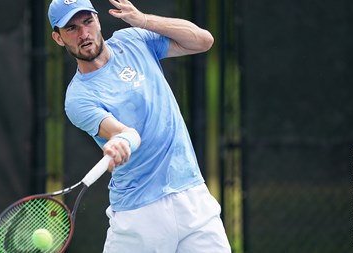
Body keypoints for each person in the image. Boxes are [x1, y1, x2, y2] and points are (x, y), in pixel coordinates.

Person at [48, 0, 231, 252]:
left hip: (192, 195)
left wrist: (143, 20)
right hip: (140, 214)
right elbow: (122, 132)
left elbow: (203, 40)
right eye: (71, 28)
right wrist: (120, 141)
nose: (84, 33)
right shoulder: (79, 97)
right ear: (58, 38)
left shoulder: (133, 40)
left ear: (98, 21)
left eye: (87, 22)